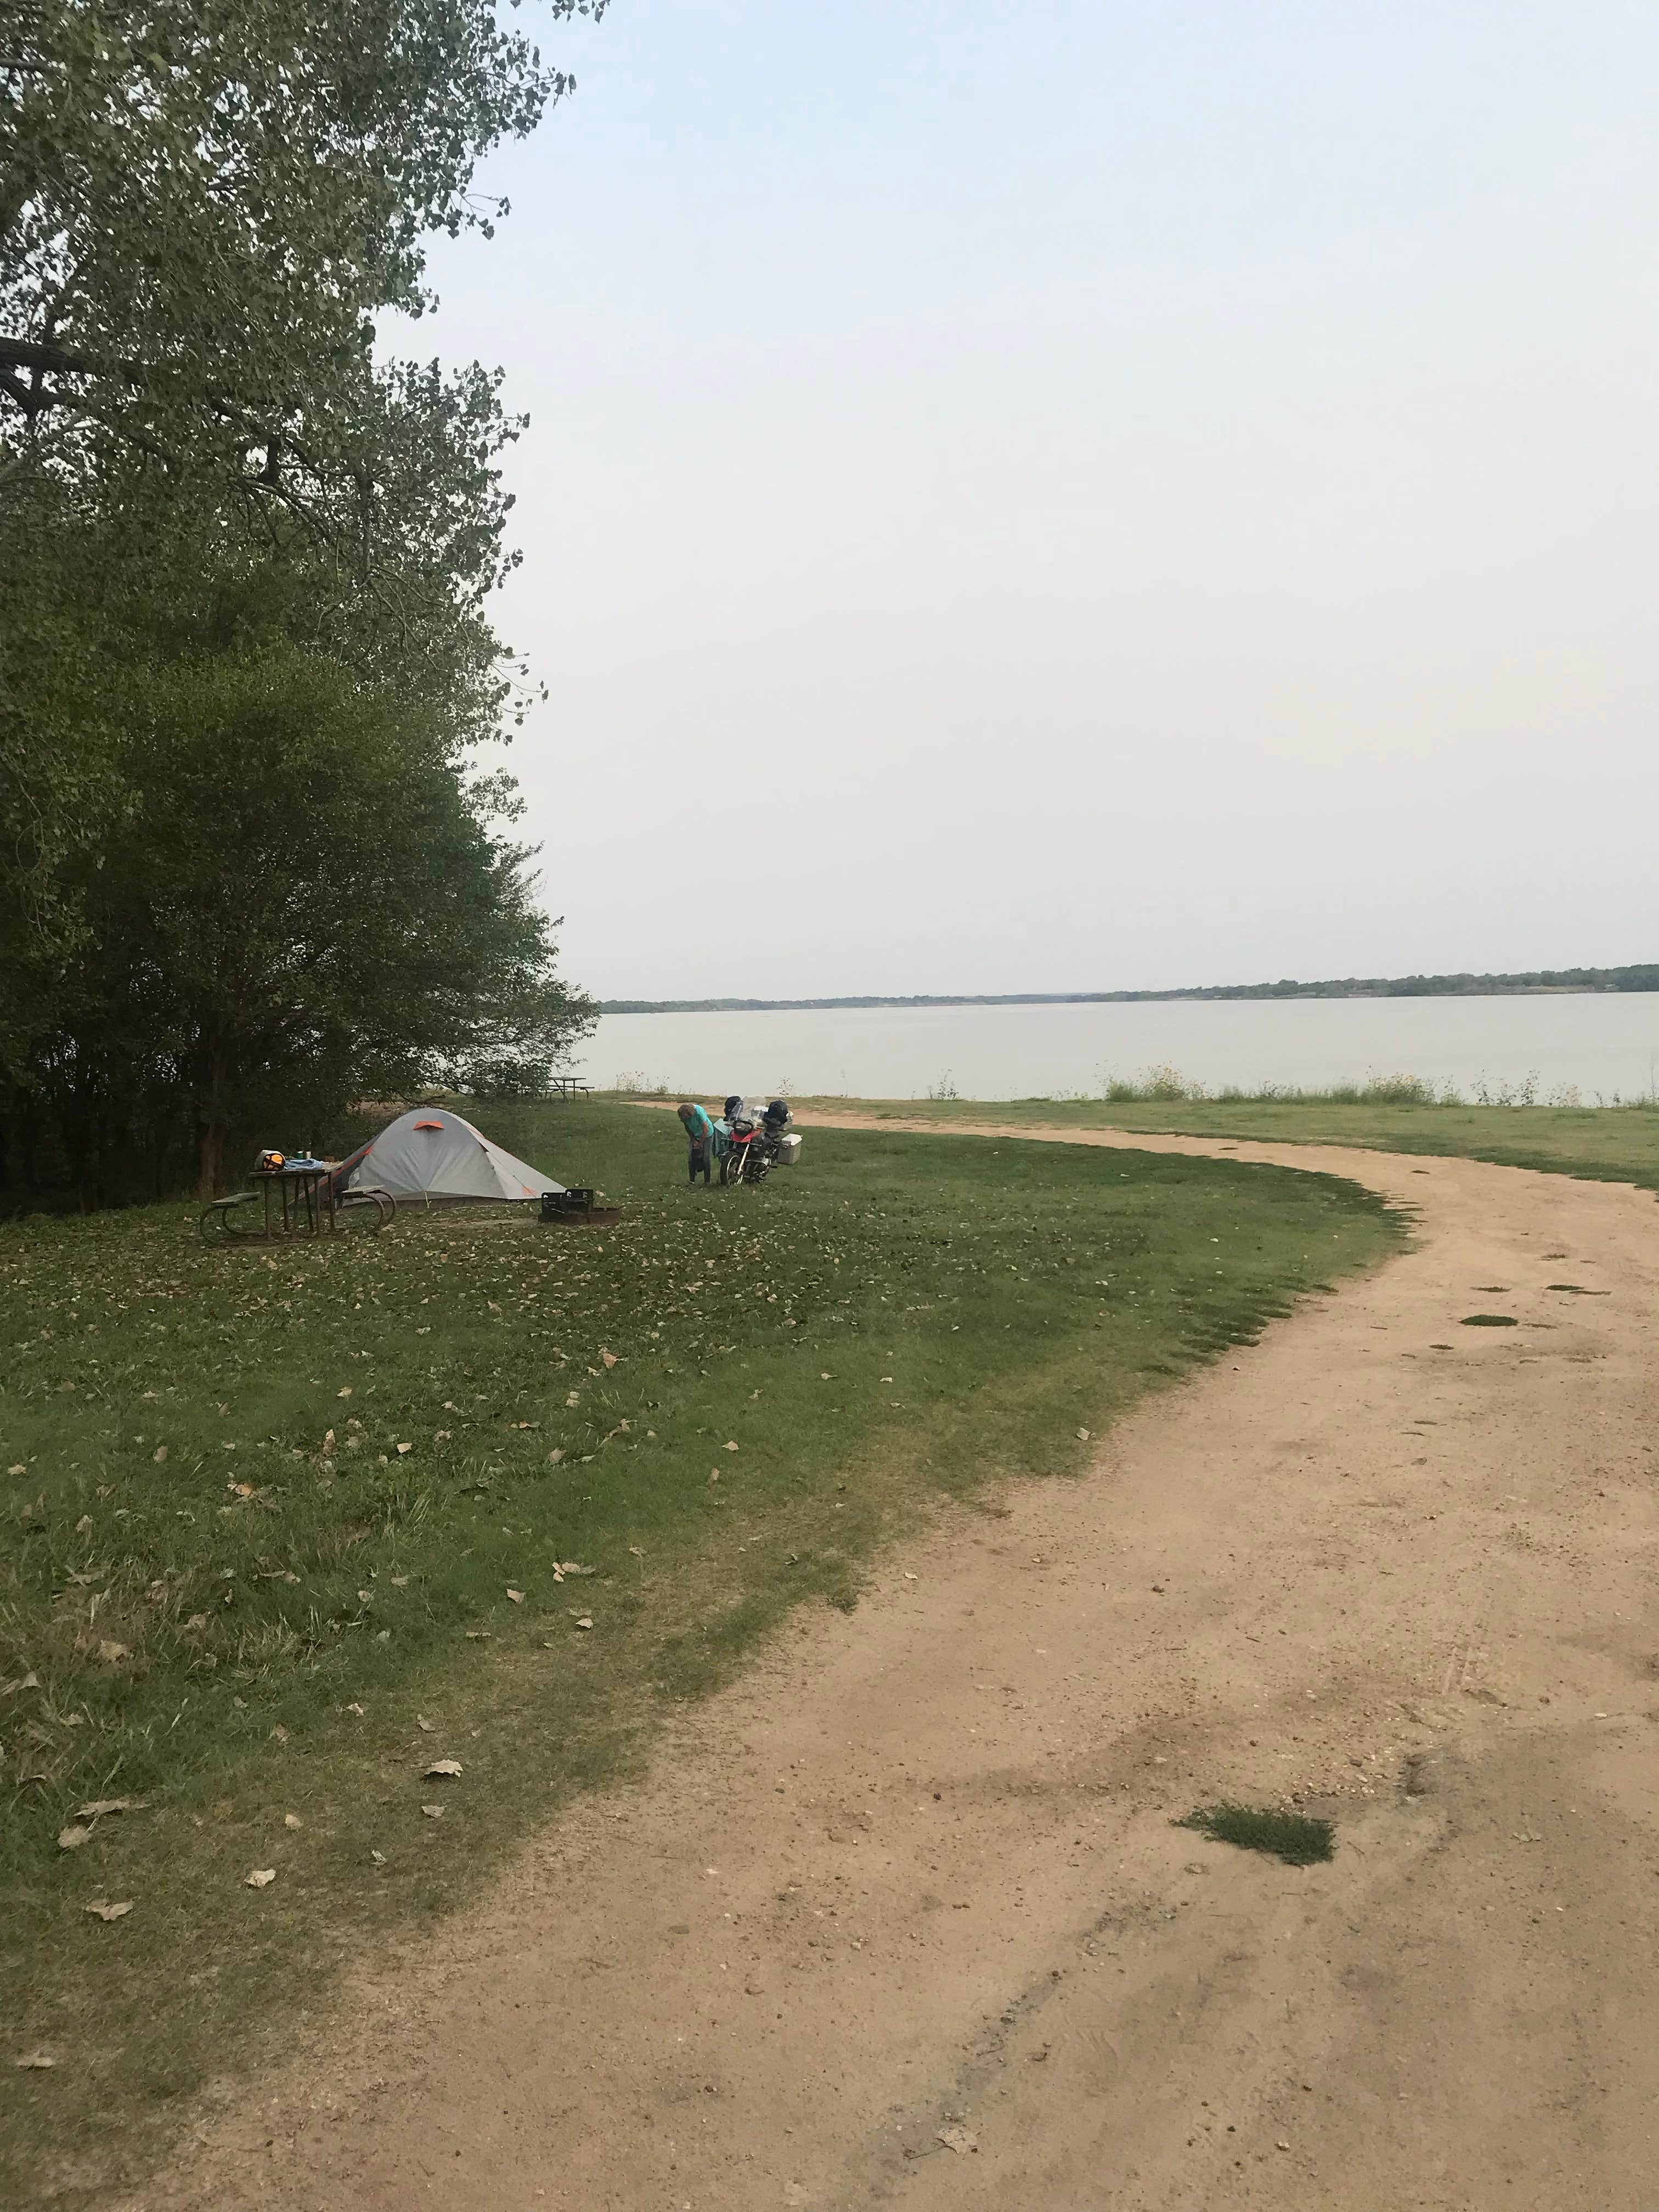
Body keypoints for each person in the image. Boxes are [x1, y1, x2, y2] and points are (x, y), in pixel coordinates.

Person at [677, 1099, 714, 1184]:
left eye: (686, 1118)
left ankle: (707, 1181)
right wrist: (694, 1140)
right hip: (695, 1135)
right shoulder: (683, 1115)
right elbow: (687, 1128)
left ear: (690, 1115)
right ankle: (692, 1180)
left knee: (706, 1158)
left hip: (707, 1135)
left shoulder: (699, 1112)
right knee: (691, 1158)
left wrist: (701, 1143)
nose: (685, 1119)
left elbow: (705, 1129)